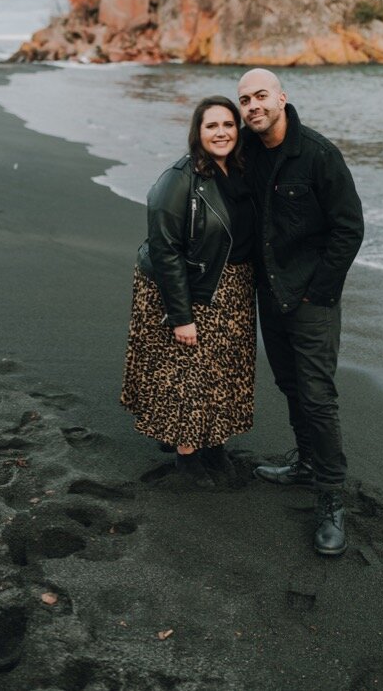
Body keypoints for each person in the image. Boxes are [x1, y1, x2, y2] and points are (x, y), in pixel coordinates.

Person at [235, 68, 364, 557]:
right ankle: (305, 461)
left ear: (282, 98)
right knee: (289, 384)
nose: (253, 106)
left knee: (316, 396)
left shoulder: (319, 155)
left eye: (261, 96)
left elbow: (349, 229)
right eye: (245, 99)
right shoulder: (248, 153)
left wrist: (320, 293)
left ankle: (331, 498)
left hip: (312, 298)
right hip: (270, 293)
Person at [121, 96, 258, 486]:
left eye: (228, 125)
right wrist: (181, 315)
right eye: (211, 126)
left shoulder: (241, 172)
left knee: (224, 370)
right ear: (197, 133)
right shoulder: (177, 180)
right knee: (187, 372)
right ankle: (187, 458)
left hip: (233, 286)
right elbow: (165, 251)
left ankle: (214, 444)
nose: (221, 133)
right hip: (189, 285)